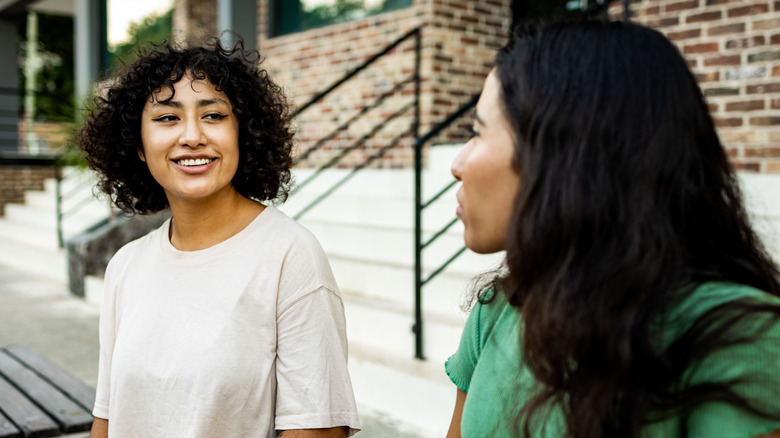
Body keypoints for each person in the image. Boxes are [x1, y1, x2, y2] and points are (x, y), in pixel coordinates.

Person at [445, 19, 780, 438]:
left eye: (477, 132)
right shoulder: (500, 308)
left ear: (564, 155)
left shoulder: (734, 338)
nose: (456, 164)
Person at [78, 39, 360, 437]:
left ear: (242, 133)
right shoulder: (125, 265)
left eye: (213, 115)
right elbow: (108, 417)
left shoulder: (289, 254)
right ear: (137, 145)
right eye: (167, 119)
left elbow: (319, 427)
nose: (192, 136)